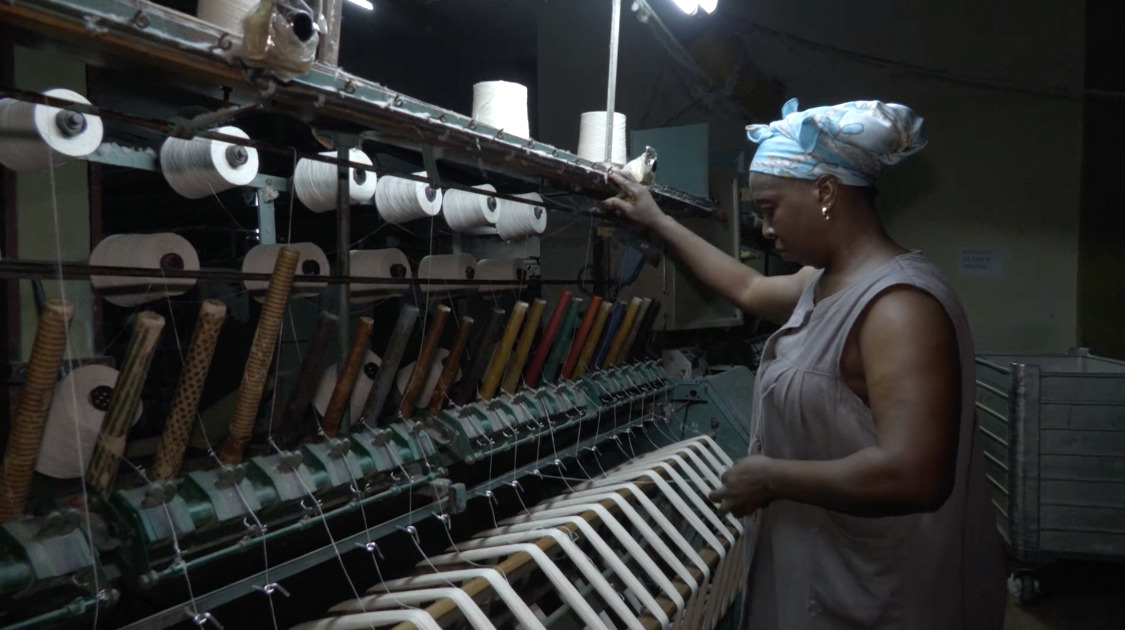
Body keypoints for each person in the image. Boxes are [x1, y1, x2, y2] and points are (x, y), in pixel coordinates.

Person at [603, 99, 1006, 630]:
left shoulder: (898, 307)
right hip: (827, 569)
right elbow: (749, 287)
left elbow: (916, 474)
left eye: (770, 209)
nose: (766, 229)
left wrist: (772, 478)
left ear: (825, 192)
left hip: (883, 591)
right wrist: (657, 220)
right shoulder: (824, 281)